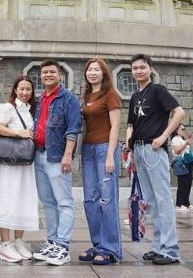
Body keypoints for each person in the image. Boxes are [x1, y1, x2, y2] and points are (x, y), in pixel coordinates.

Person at [125, 54, 184, 265]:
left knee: (163, 200)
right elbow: (131, 125)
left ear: (150, 69)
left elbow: (179, 112)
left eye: (142, 67)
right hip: (139, 150)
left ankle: (171, 251)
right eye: (135, 68)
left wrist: (164, 136)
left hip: (154, 149)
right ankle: (159, 246)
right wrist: (129, 146)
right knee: (151, 202)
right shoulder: (135, 96)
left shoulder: (157, 90)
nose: (138, 71)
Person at [31, 59, 82, 266]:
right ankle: (52, 241)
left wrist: (68, 155)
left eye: (52, 72)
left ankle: (63, 246)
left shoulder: (68, 98)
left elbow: (73, 128)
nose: (48, 75)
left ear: (59, 75)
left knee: (64, 202)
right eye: (45, 73)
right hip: (39, 155)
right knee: (49, 203)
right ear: (41, 76)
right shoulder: (40, 99)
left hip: (57, 156)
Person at [0, 75, 39, 263]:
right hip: (10, 164)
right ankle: (5, 244)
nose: (25, 92)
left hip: (25, 164)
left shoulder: (29, 110)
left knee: (23, 199)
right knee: (7, 199)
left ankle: (18, 241)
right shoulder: (10, 108)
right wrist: (19, 133)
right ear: (15, 90)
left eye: (28, 89)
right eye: (22, 89)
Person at [79, 58, 122, 265]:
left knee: (107, 200)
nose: (92, 72)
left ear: (104, 73)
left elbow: (115, 127)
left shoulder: (110, 95)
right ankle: (97, 245)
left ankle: (110, 249)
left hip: (105, 149)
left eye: (97, 69)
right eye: (90, 70)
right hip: (87, 150)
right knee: (90, 201)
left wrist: (110, 156)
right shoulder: (87, 95)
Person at [171, 124, 193, 212]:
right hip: (180, 162)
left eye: (184, 129)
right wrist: (185, 143)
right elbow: (177, 150)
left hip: (187, 162)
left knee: (188, 183)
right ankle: (179, 204)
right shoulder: (175, 139)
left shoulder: (182, 140)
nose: (184, 130)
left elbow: (188, 151)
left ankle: (186, 203)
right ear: (177, 130)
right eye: (182, 129)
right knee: (182, 183)